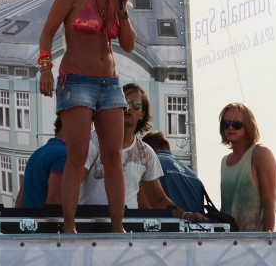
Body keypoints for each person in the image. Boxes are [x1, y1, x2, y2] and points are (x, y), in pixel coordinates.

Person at [38, 0, 136, 233]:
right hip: (77, 81)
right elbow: (47, 30)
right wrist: (45, 67)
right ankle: (69, 226)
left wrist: (123, 10)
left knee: (113, 156)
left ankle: (118, 227)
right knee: (78, 155)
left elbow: (128, 45)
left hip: (110, 83)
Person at [80, 83, 206, 222]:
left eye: (136, 105)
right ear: (114, 105)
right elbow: (73, 183)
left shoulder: (147, 153)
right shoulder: (91, 142)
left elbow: (158, 199)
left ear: (142, 114)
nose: (129, 107)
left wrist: (185, 215)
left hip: (126, 230)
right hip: (89, 228)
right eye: (125, 101)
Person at [218, 102, 276, 231]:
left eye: (236, 124)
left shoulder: (261, 154)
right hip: (229, 241)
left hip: (255, 240)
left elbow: (269, 202)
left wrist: (266, 240)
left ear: (248, 126)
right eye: (226, 124)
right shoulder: (224, 162)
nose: (230, 128)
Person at [142, 131, 204, 213]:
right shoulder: (193, 175)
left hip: (166, 220)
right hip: (196, 221)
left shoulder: (151, 164)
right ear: (167, 146)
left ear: (147, 149)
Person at [15, 116, 66, 208]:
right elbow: (54, 201)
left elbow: (20, 200)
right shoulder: (63, 155)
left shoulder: (37, 153)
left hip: (29, 216)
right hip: (47, 217)